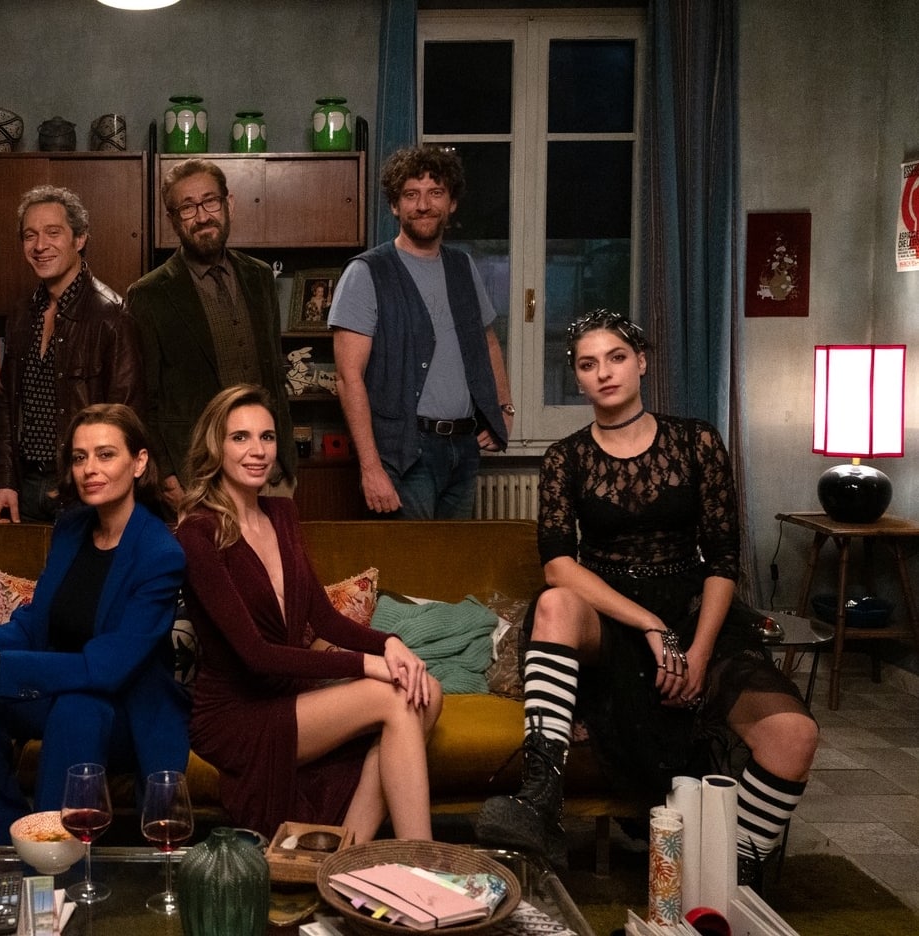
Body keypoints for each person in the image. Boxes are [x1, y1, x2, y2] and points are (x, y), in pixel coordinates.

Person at [473, 310, 817, 887]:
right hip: (610, 614)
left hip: (695, 608)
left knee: (795, 735)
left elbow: (724, 560)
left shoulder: (697, 440)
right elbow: (558, 565)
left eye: (616, 358)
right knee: (553, 602)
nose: (604, 372)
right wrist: (651, 625)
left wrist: (697, 652)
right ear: (578, 379)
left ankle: (730, 870)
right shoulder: (566, 457)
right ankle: (539, 804)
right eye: (588, 364)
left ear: (641, 363)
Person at [0, 404, 189, 846]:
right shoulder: (71, 529)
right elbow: (34, 626)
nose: (89, 469)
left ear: (139, 463)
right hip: (61, 689)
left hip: (124, 709)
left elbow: (106, 668)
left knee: (79, 707)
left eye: (105, 455)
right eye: (79, 457)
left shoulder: (160, 554)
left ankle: (52, 857)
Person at [175, 384, 443, 841]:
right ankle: (421, 858)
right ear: (215, 447)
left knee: (428, 692)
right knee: (395, 697)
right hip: (237, 715)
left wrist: (391, 644)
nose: (258, 451)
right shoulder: (198, 533)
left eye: (267, 437)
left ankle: (345, 852)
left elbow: (324, 618)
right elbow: (256, 655)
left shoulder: (282, 514)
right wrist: (370, 665)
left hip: (290, 698)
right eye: (240, 437)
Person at [330, 145, 514, 519]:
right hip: (404, 455)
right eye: (411, 195)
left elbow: (487, 341)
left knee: (452, 556)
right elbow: (349, 378)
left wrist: (503, 409)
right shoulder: (366, 272)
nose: (424, 205)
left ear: (452, 203)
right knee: (411, 558)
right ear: (395, 206)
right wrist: (371, 468)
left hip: (464, 449)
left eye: (436, 193)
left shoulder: (463, 266)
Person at [127, 158, 295, 509]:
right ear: (172, 219)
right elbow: (145, 399)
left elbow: (274, 376)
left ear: (228, 203)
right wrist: (165, 473)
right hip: (198, 478)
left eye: (210, 201)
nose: (202, 216)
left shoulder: (260, 277)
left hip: (269, 473)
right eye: (187, 208)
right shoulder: (149, 294)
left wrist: (286, 461)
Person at [0, 185, 144, 524]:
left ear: (80, 238)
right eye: (30, 235)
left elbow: (126, 417)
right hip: (25, 488)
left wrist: (95, 488)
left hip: (84, 488)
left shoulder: (112, 316)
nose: (40, 245)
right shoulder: (22, 314)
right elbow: (6, 404)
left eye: (53, 232)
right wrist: (4, 481)